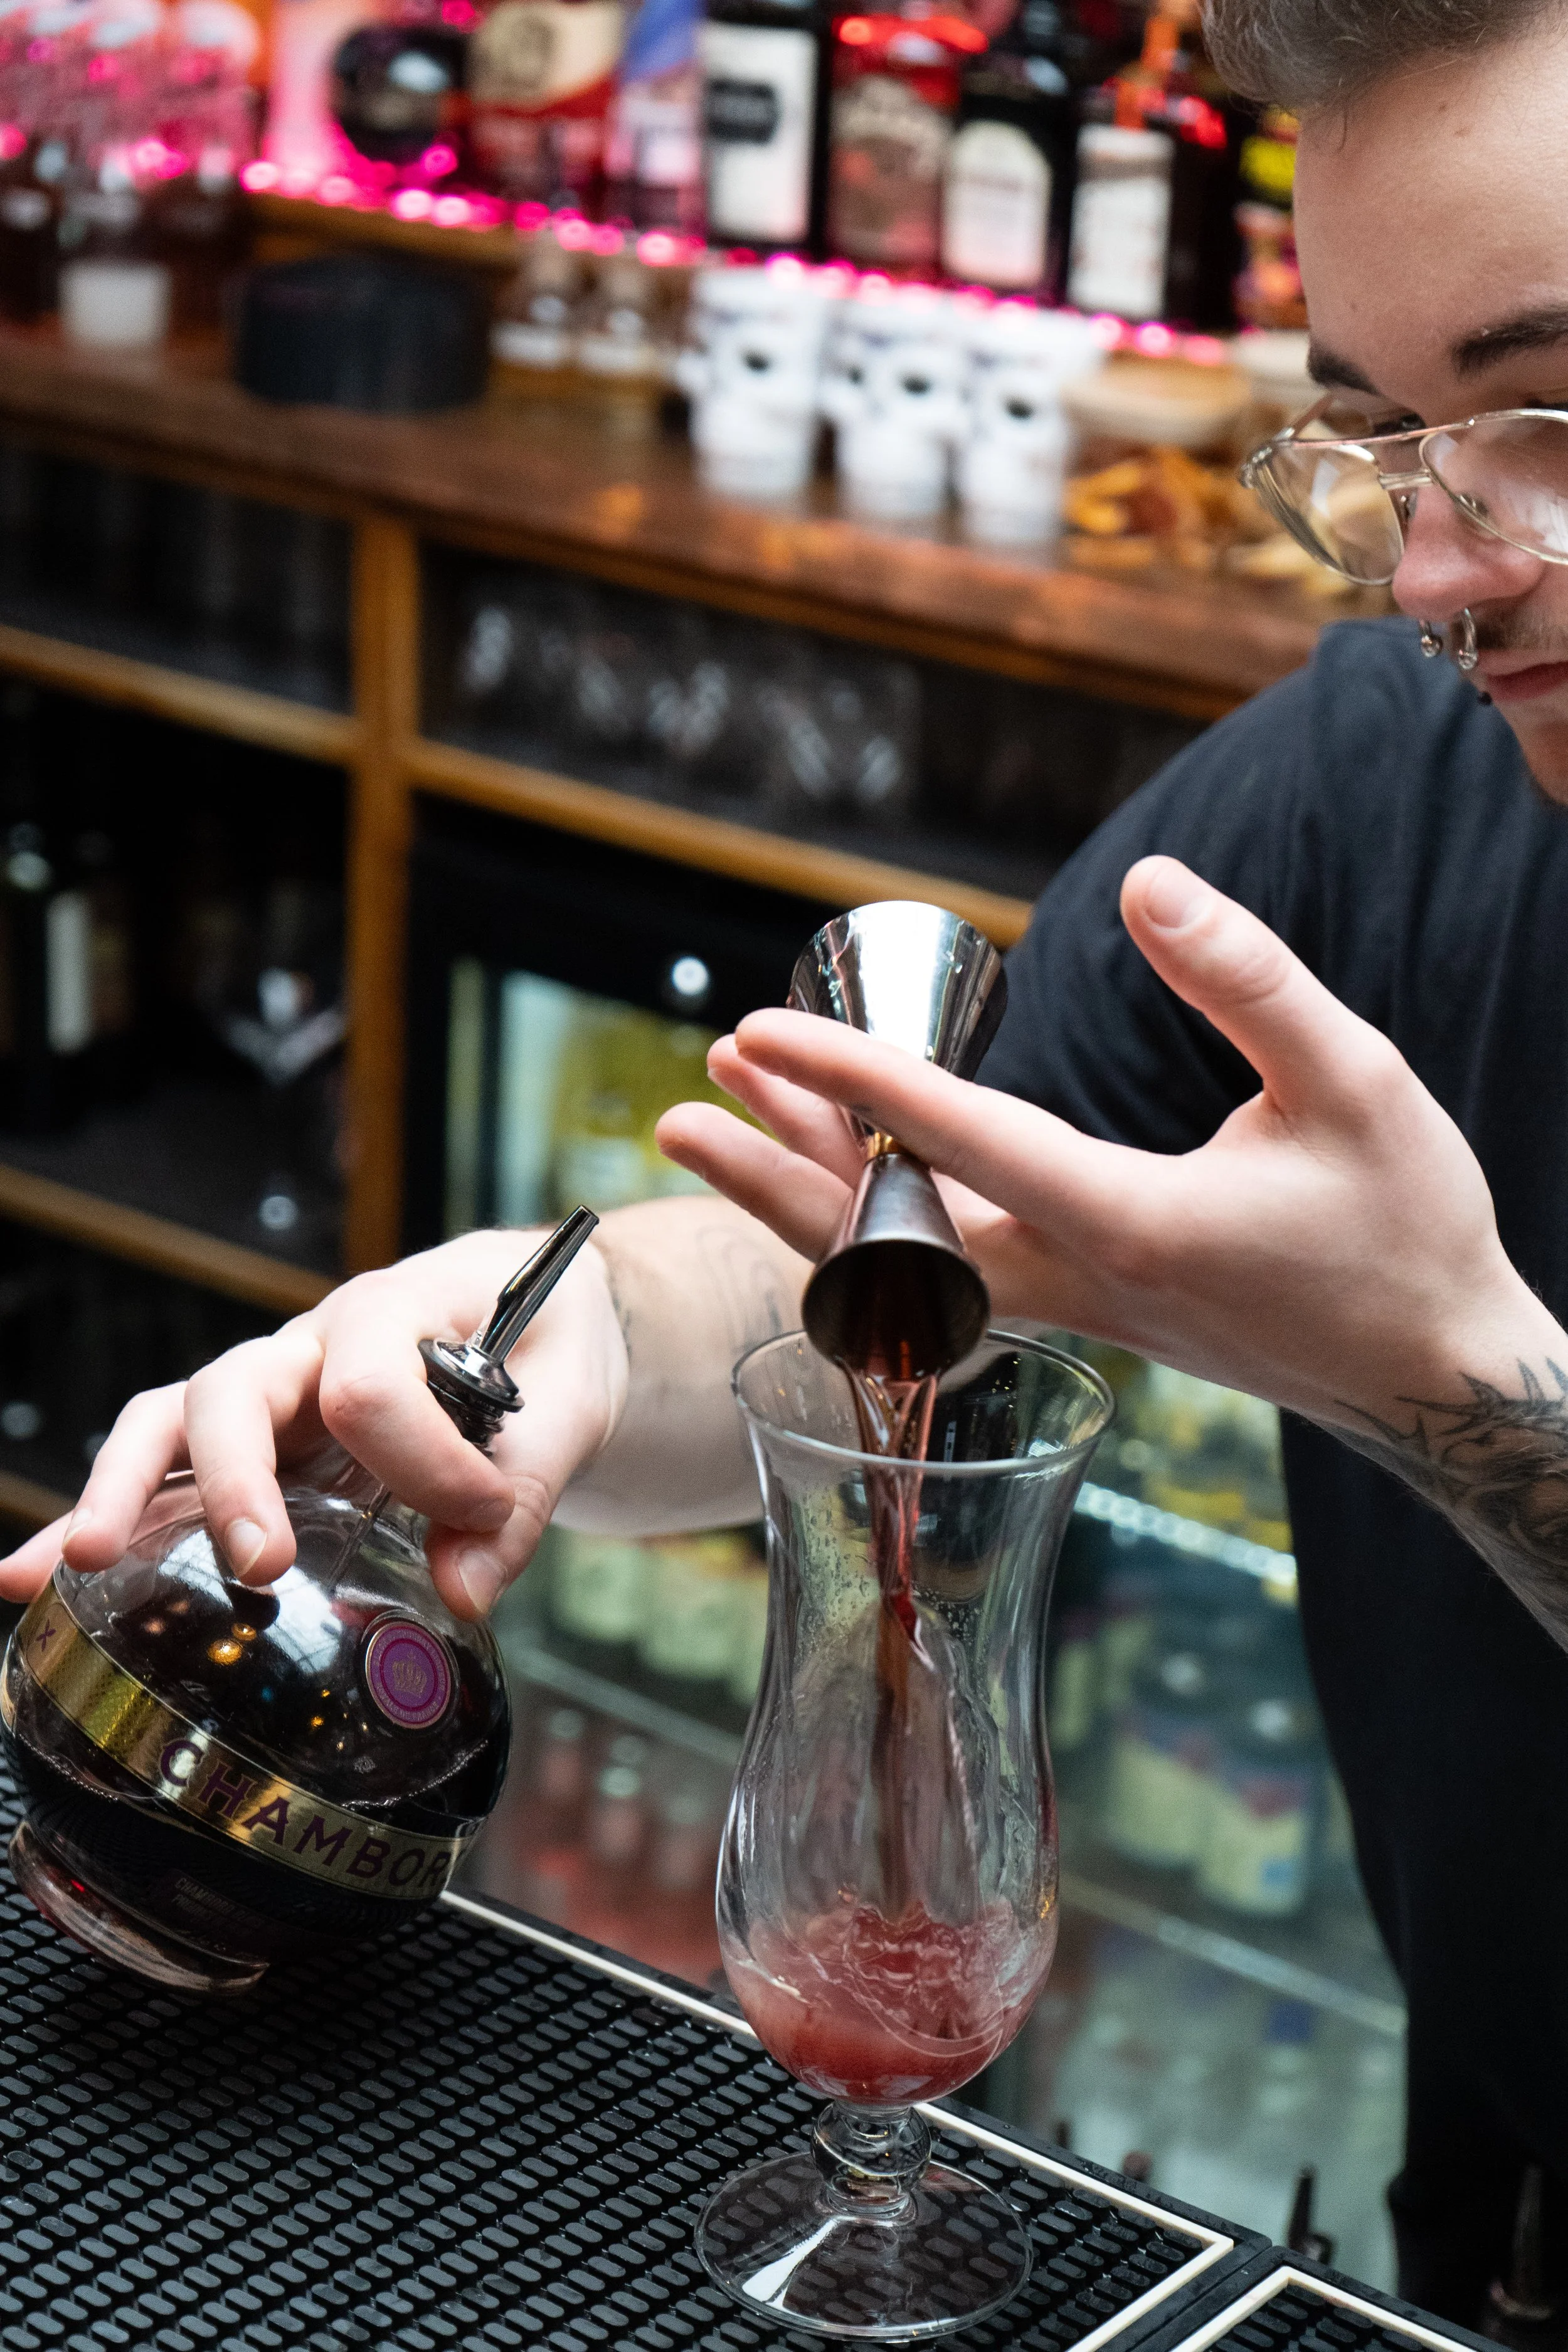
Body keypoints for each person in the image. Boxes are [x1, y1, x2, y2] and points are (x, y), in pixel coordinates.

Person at [9, 0, 1568, 2316]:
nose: (1440, 572)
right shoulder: (1379, 780)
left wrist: (1460, 1391)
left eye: (1546, 418)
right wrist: (519, 1334)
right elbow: (887, 1257)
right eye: (1381, 441)